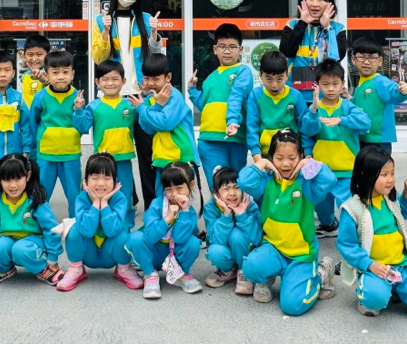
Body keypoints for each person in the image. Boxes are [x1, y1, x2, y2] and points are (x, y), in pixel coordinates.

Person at [238, 129, 337, 315]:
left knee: (292, 306)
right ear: (272, 158)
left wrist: (308, 163)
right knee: (250, 267)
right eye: (279, 158)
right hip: (273, 249)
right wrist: (262, 163)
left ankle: (321, 274)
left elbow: (330, 180)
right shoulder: (266, 182)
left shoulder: (307, 183)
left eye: (292, 158)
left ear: (300, 157)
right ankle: (268, 278)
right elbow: (243, 181)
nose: (285, 164)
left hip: (301, 255)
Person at [337, 146, 407, 323]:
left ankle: (396, 288)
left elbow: (402, 215)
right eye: (384, 174)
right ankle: (366, 293)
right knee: (374, 300)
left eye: (392, 173)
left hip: (403, 265)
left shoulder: (388, 200)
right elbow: (346, 245)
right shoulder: (352, 209)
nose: (391, 179)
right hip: (376, 269)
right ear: (365, 175)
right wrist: (369, 264)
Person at [92, 0, 164, 210]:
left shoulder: (145, 19)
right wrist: (105, 32)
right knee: (115, 152)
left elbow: (155, 57)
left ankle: (152, 204)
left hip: (140, 95)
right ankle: (126, 199)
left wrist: (154, 34)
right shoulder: (101, 20)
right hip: (114, 96)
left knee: (147, 152)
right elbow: (98, 59)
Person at [300, 58, 371, 237]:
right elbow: (307, 132)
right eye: (325, 84)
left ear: (342, 85)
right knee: (321, 205)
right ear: (317, 86)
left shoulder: (348, 106)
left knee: (347, 206)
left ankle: (349, 235)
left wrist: (341, 120)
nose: (330, 89)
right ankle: (329, 224)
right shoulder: (313, 109)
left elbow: (365, 122)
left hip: (346, 169)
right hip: (321, 170)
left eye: (335, 84)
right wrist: (314, 109)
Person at [56, 152, 143, 292]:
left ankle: (124, 269)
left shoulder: (119, 199)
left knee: (123, 235)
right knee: (73, 231)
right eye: (95, 177)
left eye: (107, 178)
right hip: (88, 253)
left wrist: (105, 204)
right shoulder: (82, 198)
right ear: (86, 180)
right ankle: (76, 268)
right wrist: (96, 204)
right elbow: (86, 231)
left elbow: (112, 231)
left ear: (115, 181)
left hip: (111, 254)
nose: (101, 183)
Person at [0, 153, 63, 286]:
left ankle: (42, 268)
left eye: (18, 179)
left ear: (28, 176)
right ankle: (4, 268)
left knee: (20, 248)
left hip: (33, 244)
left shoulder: (35, 200)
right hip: (7, 240)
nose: (13, 185)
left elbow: (51, 228)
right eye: (6, 179)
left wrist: (52, 258)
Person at [73, 59, 139, 226]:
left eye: (115, 79)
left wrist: (143, 106)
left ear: (123, 81)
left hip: (124, 159)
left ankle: (125, 227)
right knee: (100, 193)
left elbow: (145, 124)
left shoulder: (130, 105)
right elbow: (82, 127)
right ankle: (102, 226)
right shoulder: (94, 106)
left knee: (125, 195)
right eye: (105, 79)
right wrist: (79, 110)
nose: (110, 83)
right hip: (102, 161)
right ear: (97, 82)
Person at [125, 161, 203, 299]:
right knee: (136, 238)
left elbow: (180, 238)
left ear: (191, 185)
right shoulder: (156, 205)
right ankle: (150, 274)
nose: (174, 194)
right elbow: (150, 237)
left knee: (193, 242)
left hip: (174, 254)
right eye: (169, 189)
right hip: (154, 252)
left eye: (179, 188)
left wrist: (184, 212)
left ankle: (181, 274)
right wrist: (167, 219)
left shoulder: (189, 211)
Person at [187, 23, 251, 189]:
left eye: (232, 47)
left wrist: (232, 121)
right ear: (215, 49)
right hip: (208, 139)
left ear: (241, 50)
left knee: (236, 187)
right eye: (222, 46)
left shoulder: (243, 71)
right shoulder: (210, 78)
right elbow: (206, 106)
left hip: (235, 137)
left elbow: (237, 95)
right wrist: (192, 91)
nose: (227, 51)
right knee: (217, 187)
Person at [135, 53, 199, 199]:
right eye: (147, 78)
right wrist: (149, 106)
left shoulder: (174, 95)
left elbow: (165, 123)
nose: (150, 83)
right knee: (162, 197)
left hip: (180, 157)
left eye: (156, 79)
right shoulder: (151, 98)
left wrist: (142, 109)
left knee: (179, 197)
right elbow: (149, 129)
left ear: (168, 77)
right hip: (162, 156)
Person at [30, 49, 84, 218]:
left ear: (72, 74)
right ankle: (40, 223)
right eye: (55, 72)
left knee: (74, 194)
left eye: (65, 72)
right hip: (46, 154)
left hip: (71, 154)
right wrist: (32, 151)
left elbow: (82, 124)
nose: (61, 76)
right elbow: (33, 122)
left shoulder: (77, 97)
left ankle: (75, 224)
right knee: (41, 193)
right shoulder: (41, 97)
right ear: (46, 75)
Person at [203, 166, 261, 295]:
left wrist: (242, 216)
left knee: (237, 235)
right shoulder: (211, 208)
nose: (232, 193)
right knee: (215, 251)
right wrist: (226, 215)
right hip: (226, 249)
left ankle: (244, 271)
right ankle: (229, 270)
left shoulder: (249, 205)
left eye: (236, 187)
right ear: (215, 193)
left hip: (246, 253)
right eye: (226, 189)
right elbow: (216, 240)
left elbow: (257, 238)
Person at [245, 50, 312, 162]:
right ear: (260, 75)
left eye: (279, 79)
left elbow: (304, 126)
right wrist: (257, 157)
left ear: (287, 75)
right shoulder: (255, 95)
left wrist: (307, 153)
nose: (274, 85)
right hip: (265, 157)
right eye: (269, 79)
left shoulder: (295, 96)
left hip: (292, 157)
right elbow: (252, 127)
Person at [279, 0, 347, 89]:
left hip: (325, 92)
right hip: (295, 91)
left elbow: (336, 58)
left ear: (330, 4)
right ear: (304, 2)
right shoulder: (292, 25)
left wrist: (327, 28)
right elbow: (286, 52)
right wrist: (302, 23)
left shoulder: (337, 29)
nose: (315, 4)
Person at [349, 36, 407, 153]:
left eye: (372, 57)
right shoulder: (360, 85)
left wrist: (403, 91)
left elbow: (394, 92)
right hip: (362, 137)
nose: (366, 62)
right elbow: (357, 104)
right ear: (353, 59)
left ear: (380, 61)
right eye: (361, 57)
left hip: (378, 140)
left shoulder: (380, 81)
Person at [18, 34, 51, 110]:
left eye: (39, 54)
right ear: (24, 55)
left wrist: (45, 80)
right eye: (30, 54)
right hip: (26, 114)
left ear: (48, 55)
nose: (34, 59)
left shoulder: (50, 73)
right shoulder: (25, 74)